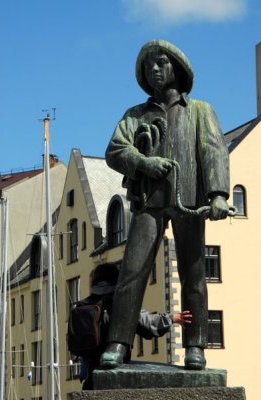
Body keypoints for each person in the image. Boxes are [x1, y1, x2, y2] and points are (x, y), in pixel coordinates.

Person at [100, 40, 230, 370]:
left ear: (177, 69)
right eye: (149, 66)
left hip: (189, 202)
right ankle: (118, 342)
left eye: (161, 63)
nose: (155, 69)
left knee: (194, 274)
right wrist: (144, 163)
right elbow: (115, 150)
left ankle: (196, 344)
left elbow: (214, 152)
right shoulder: (135, 115)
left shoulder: (199, 110)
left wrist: (217, 195)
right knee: (132, 271)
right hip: (149, 202)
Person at [80, 263, 192, 389]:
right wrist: (172, 318)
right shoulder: (118, 303)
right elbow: (146, 323)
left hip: (89, 376)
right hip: (113, 375)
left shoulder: (85, 305)